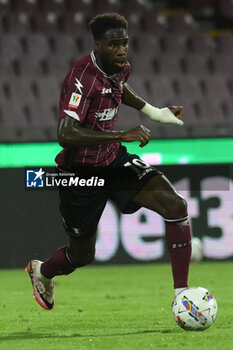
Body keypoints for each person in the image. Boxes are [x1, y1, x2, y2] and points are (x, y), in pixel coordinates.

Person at [26, 13, 191, 311]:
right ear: (98, 45)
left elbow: (117, 88)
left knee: (175, 205)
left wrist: (155, 112)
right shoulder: (82, 77)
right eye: (114, 44)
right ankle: (42, 272)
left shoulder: (120, 68)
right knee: (82, 255)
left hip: (113, 161)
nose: (121, 50)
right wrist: (122, 133)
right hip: (80, 175)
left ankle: (182, 295)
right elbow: (65, 134)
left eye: (125, 43)